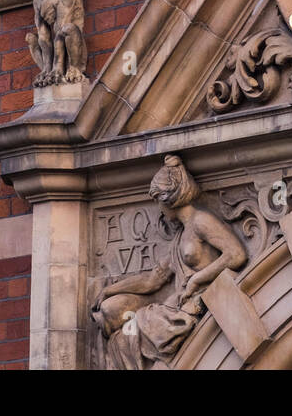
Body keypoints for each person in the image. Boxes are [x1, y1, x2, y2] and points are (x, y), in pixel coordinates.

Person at [94, 155, 248, 369]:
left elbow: (236, 254)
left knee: (130, 334)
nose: (159, 208)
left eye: (158, 200)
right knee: (115, 325)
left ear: (170, 198)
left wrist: (196, 280)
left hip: (198, 300)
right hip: (179, 302)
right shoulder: (180, 236)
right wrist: (109, 290)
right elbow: (152, 281)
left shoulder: (201, 221)